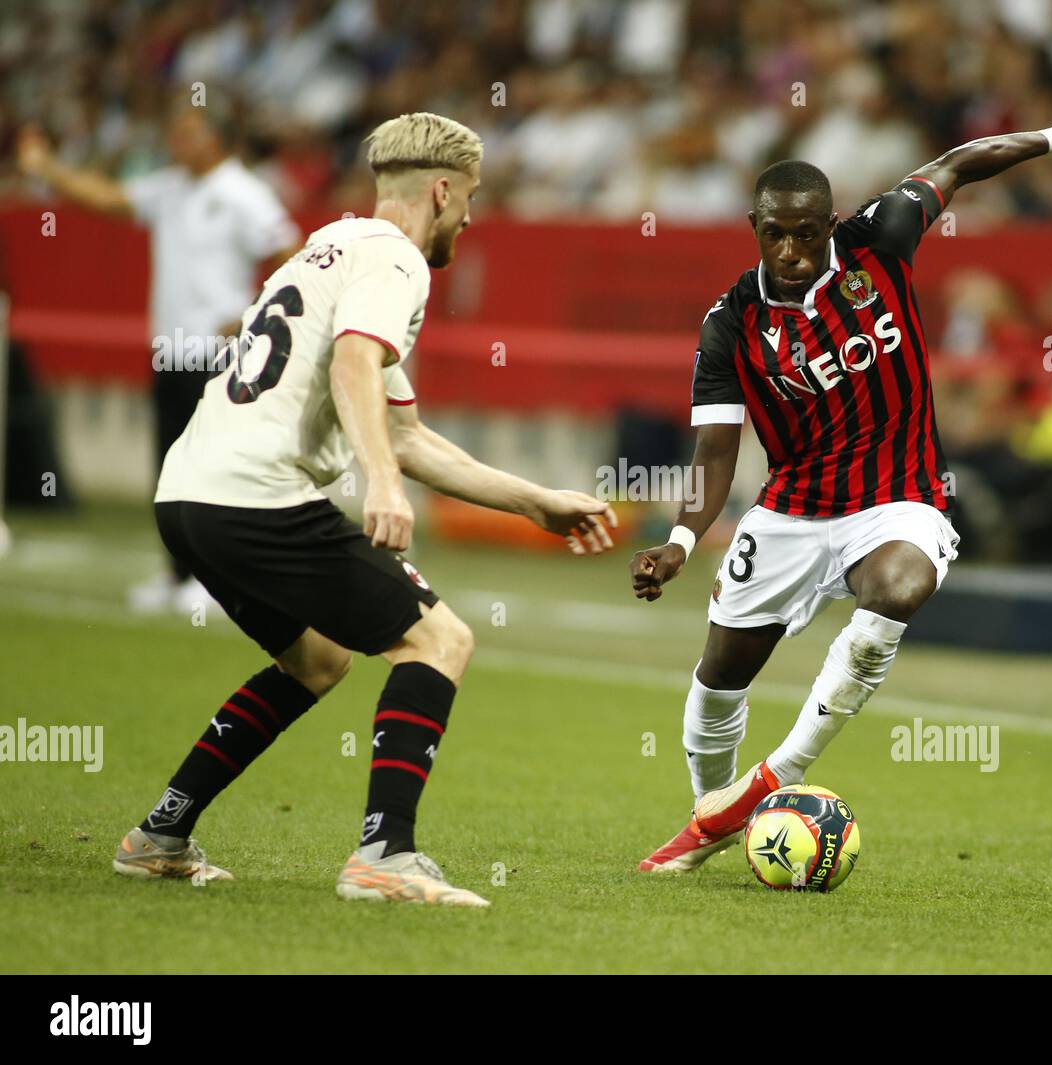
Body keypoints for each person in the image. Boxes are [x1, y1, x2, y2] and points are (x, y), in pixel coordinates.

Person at [110, 112, 617, 907]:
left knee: (317, 660)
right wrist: (380, 484)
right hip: (258, 493)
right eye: (472, 198)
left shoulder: (329, 248)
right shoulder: (398, 262)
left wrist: (535, 502)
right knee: (438, 638)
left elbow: (408, 434)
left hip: (188, 495)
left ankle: (159, 835)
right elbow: (354, 367)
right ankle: (386, 854)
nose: (472, 216)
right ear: (442, 191)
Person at [632, 94, 1052, 873]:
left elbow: (958, 163)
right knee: (721, 675)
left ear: (830, 224)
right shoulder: (729, 324)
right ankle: (711, 810)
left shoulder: (880, 240)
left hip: (897, 495)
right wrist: (683, 540)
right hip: (793, 510)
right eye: (774, 233)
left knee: (899, 586)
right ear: (754, 231)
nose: (790, 249)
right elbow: (716, 449)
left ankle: (780, 772)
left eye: (805, 231)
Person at [15, 94, 301, 614]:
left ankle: (215, 579)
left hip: (219, 352)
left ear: (215, 138)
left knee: (211, 467)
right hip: (171, 348)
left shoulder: (243, 193)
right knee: (169, 467)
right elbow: (106, 199)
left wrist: (253, 315)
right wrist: (46, 167)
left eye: (187, 133)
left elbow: (289, 254)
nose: (175, 142)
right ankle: (177, 573)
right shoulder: (171, 189)